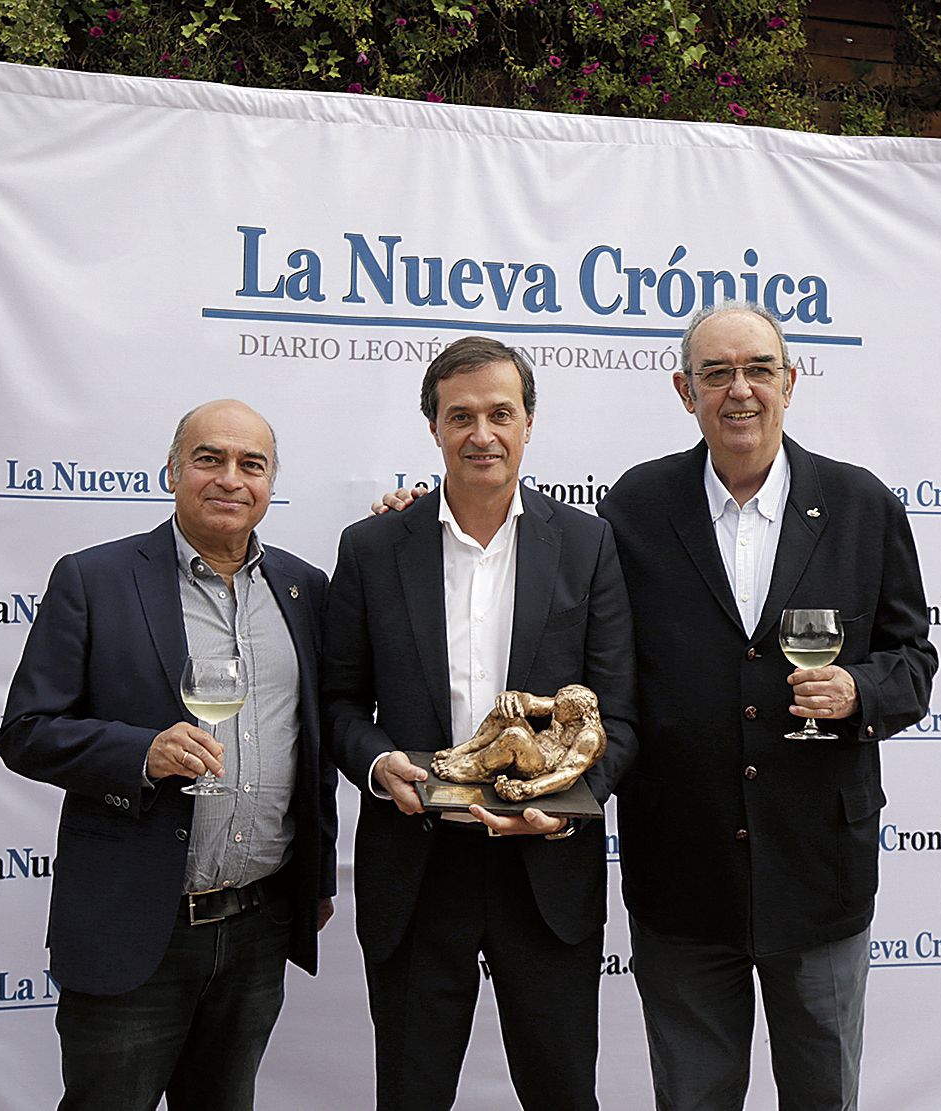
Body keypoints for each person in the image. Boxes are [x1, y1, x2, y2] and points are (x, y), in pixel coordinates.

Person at [595, 301, 937, 1111]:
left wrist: (859, 690)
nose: (738, 390)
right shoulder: (636, 506)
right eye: (716, 373)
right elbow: (563, 601)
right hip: (682, 876)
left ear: (791, 381)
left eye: (757, 369)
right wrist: (423, 521)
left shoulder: (861, 505)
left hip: (819, 873)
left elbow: (913, 659)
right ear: (685, 391)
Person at [0, 399, 337, 1111]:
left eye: (252, 463)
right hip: (134, 926)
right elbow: (24, 729)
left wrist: (317, 876)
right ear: (173, 470)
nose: (230, 478)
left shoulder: (305, 590)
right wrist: (139, 752)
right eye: (209, 458)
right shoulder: (95, 579)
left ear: (271, 482)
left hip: (256, 926)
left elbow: (317, 741)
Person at [323, 336, 637, 1111]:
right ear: (432, 426)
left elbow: (618, 715)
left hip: (545, 869)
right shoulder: (370, 548)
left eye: (500, 412)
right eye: (459, 415)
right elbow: (336, 705)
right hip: (416, 864)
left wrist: (565, 803)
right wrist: (376, 763)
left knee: (563, 1093)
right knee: (411, 1091)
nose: (481, 433)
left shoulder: (587, 544)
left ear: (529, 422)